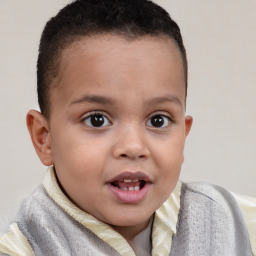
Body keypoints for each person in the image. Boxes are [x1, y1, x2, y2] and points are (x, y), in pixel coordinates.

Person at [0, 0, 255, 255]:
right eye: (97, 120)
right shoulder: (21, 247)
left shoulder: (234, 221)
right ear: (45, 138)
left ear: (183, 136)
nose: (133, 147)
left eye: (158, 120)